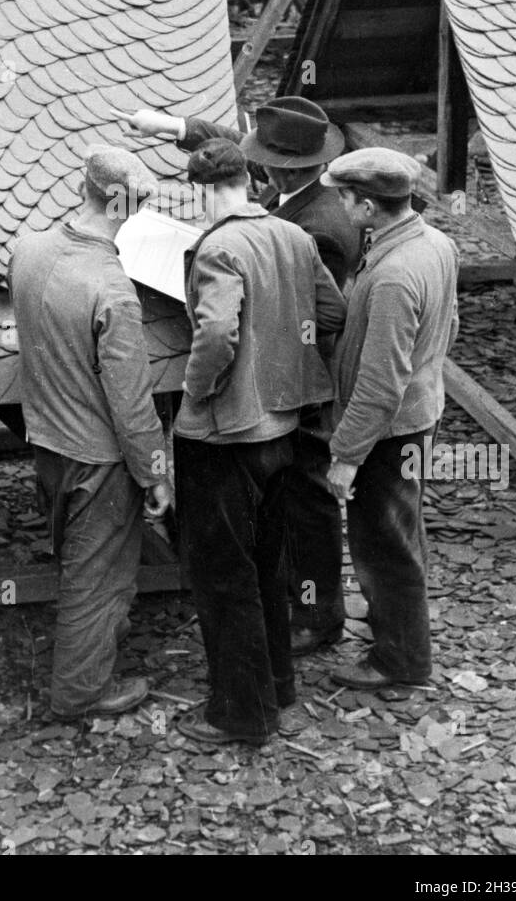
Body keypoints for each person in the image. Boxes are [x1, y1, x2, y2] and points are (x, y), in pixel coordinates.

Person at [124, 98, 359, 655]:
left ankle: (317, 613)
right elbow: (231, 150)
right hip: (281, 383)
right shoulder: (294, 192)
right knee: (286, 497)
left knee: (308, 499)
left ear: (280, 168)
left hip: (292, 382)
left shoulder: (320, 226)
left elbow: (320, 316)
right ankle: (284, 601)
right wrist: (174, 127)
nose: (255, 168)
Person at [172, 139, 348, 747]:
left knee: (224, 575)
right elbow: (331, 311)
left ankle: (240, 715)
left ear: (200, 189)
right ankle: (277, 683)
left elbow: (217, 332)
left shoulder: (218, 246)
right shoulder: (295, 237)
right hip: (286, 427)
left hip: (227, 436)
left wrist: (197, 391)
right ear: (247, 179)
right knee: (269, 564)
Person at [7, 147, 172, 721]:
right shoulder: (113, 289)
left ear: (85, 187)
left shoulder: (27, 249)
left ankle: (99, 639)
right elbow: (131, 404)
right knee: (95, 578)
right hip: (97, 457)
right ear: (130, 206)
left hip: (46, 438)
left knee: (75, 558)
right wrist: (154, 470)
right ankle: (80, 692)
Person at [319, 149, 460, 691]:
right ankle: (396, 631)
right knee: (401, 532)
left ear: (370, 206)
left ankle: (400, 660)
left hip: (389, 430)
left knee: (384, 545)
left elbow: (380, 386)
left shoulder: (395, 277)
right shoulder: (435, 244)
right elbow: (448, 326)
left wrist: (346, 457)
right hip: (419, 411)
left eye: (346, 197)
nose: (339, 204)